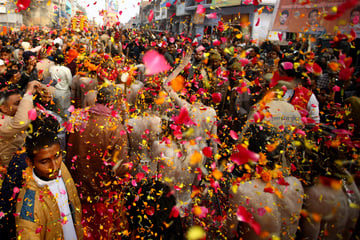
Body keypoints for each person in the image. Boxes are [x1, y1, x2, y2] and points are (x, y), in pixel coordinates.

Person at [65, 83, 130, 239]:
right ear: (114, 103)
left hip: (75, 188)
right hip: (101, 194)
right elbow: (118, 169)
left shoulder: (77, 116)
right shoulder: (115, 127)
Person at [15, 114, 83, 239]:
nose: (54, 167)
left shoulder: (61, 167)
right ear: (30, 163)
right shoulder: (29, 202)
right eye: (44, 162)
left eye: (57, 156)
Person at [0, 81, 41, 168]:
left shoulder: (10, 116)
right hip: (9, 169)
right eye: (18, 103)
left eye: (21, 103)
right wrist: (28, 93)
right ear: (4, 108)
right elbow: (20, 123)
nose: (21, 107)